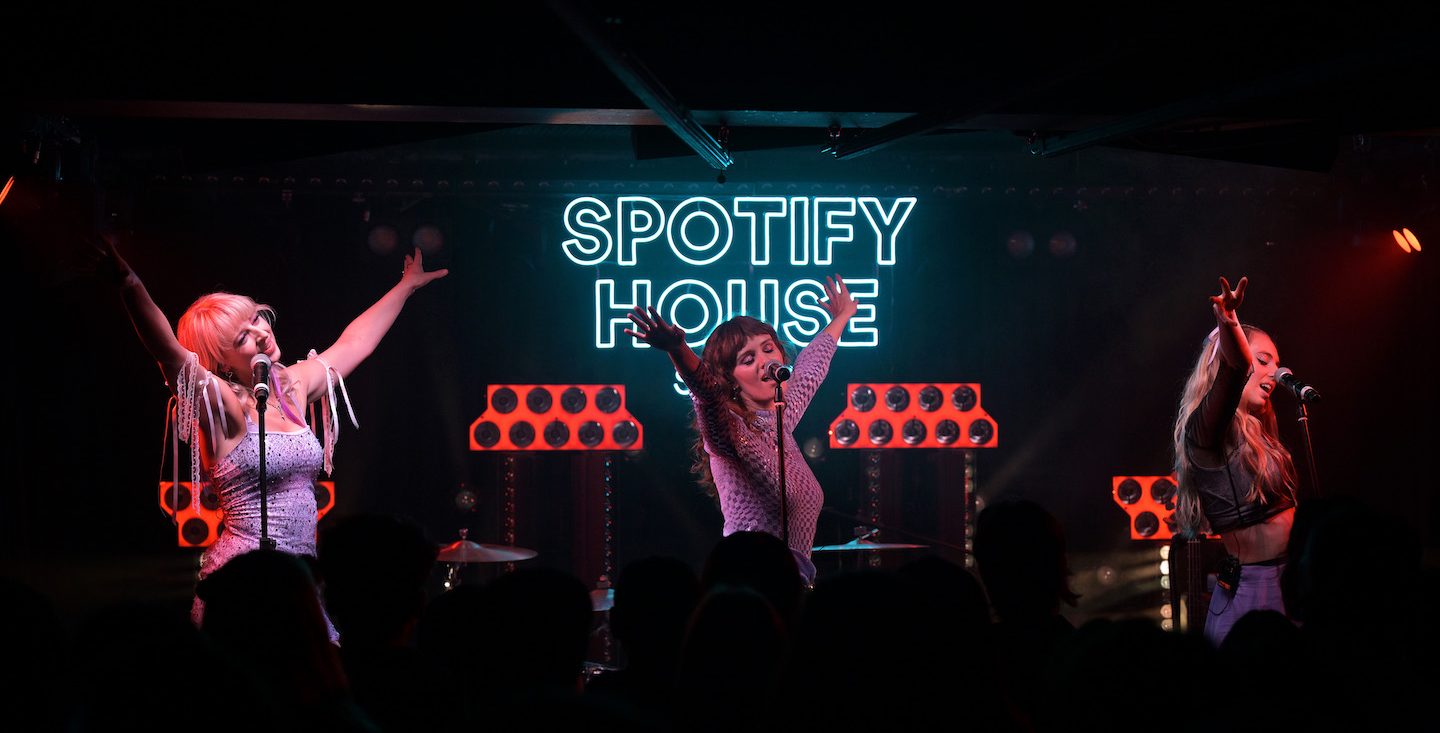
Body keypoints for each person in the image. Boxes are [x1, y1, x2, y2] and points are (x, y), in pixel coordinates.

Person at [99, 237, 446, 636]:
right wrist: (129, 283)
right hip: (245, 579)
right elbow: (169, 353)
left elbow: (355, 342)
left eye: (256, 319)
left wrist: (406, 286)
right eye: (242, 337)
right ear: (220, 362)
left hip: (299, 576)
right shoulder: (223, 405)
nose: (261, 332)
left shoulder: (292, 386)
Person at [624, 276, 857, 584]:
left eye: (768, 349)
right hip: (748, 583)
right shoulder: (728, 432)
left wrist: (841, 316)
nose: (765, 362)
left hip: (789, 584)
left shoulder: (780, 419)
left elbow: (812, 367)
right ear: (730, 379)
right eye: (749, 359)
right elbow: (707, 395)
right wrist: (678, 349)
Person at [1173, 276, 1298, 646]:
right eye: (1263, 361)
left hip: (1289, 581)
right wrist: (1227, 320)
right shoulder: (1204, 432)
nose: (1274, 373)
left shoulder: (1262, 435)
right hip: (1255, 589)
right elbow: (1235, 367)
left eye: (1276, 365)